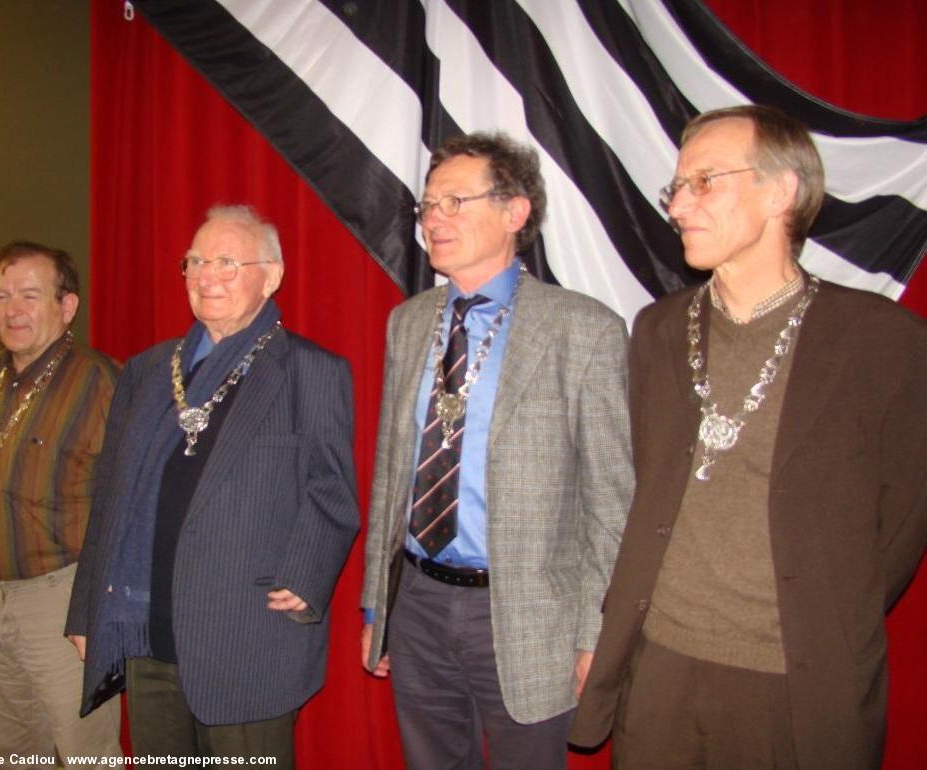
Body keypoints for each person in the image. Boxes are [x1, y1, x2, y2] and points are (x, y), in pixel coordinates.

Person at [570, 105, 927, 770]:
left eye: (704, 182)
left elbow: (903, 520)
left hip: (793, 680)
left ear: (781, 190)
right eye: (676, 187)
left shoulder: (882, 342)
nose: (678, 205)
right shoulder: (657, 330)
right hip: (660, 669)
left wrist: (826, 604)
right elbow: (646, 489)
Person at [361, 132, 633, 770]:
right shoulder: (408, 322)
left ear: (516, 213)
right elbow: (391, 473)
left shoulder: (584, 329)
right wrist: (380, 602)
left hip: (526, 612)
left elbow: (612, 503)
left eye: (456, 201)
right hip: (419, 603)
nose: (435, 219)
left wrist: (597, 634)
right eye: (429, 205)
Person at [66, 205, 359, 767]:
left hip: (247, 635)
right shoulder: (148, 371)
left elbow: (332, 492)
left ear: (271, 275)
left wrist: (306, 572)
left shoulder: (309, 371)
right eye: (195, 262)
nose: (206, 276)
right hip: (148, 633)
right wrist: (87, 611)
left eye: (227, 261)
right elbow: (110, 500)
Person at [0, 241, 122, 767]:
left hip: (62, 604)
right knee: (5, 756)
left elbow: (125, 511)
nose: (12, 309)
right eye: (2, 296)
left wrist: (97, 609)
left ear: (66, 307)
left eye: (30, 295)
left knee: (86, 755)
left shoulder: (102, 383)